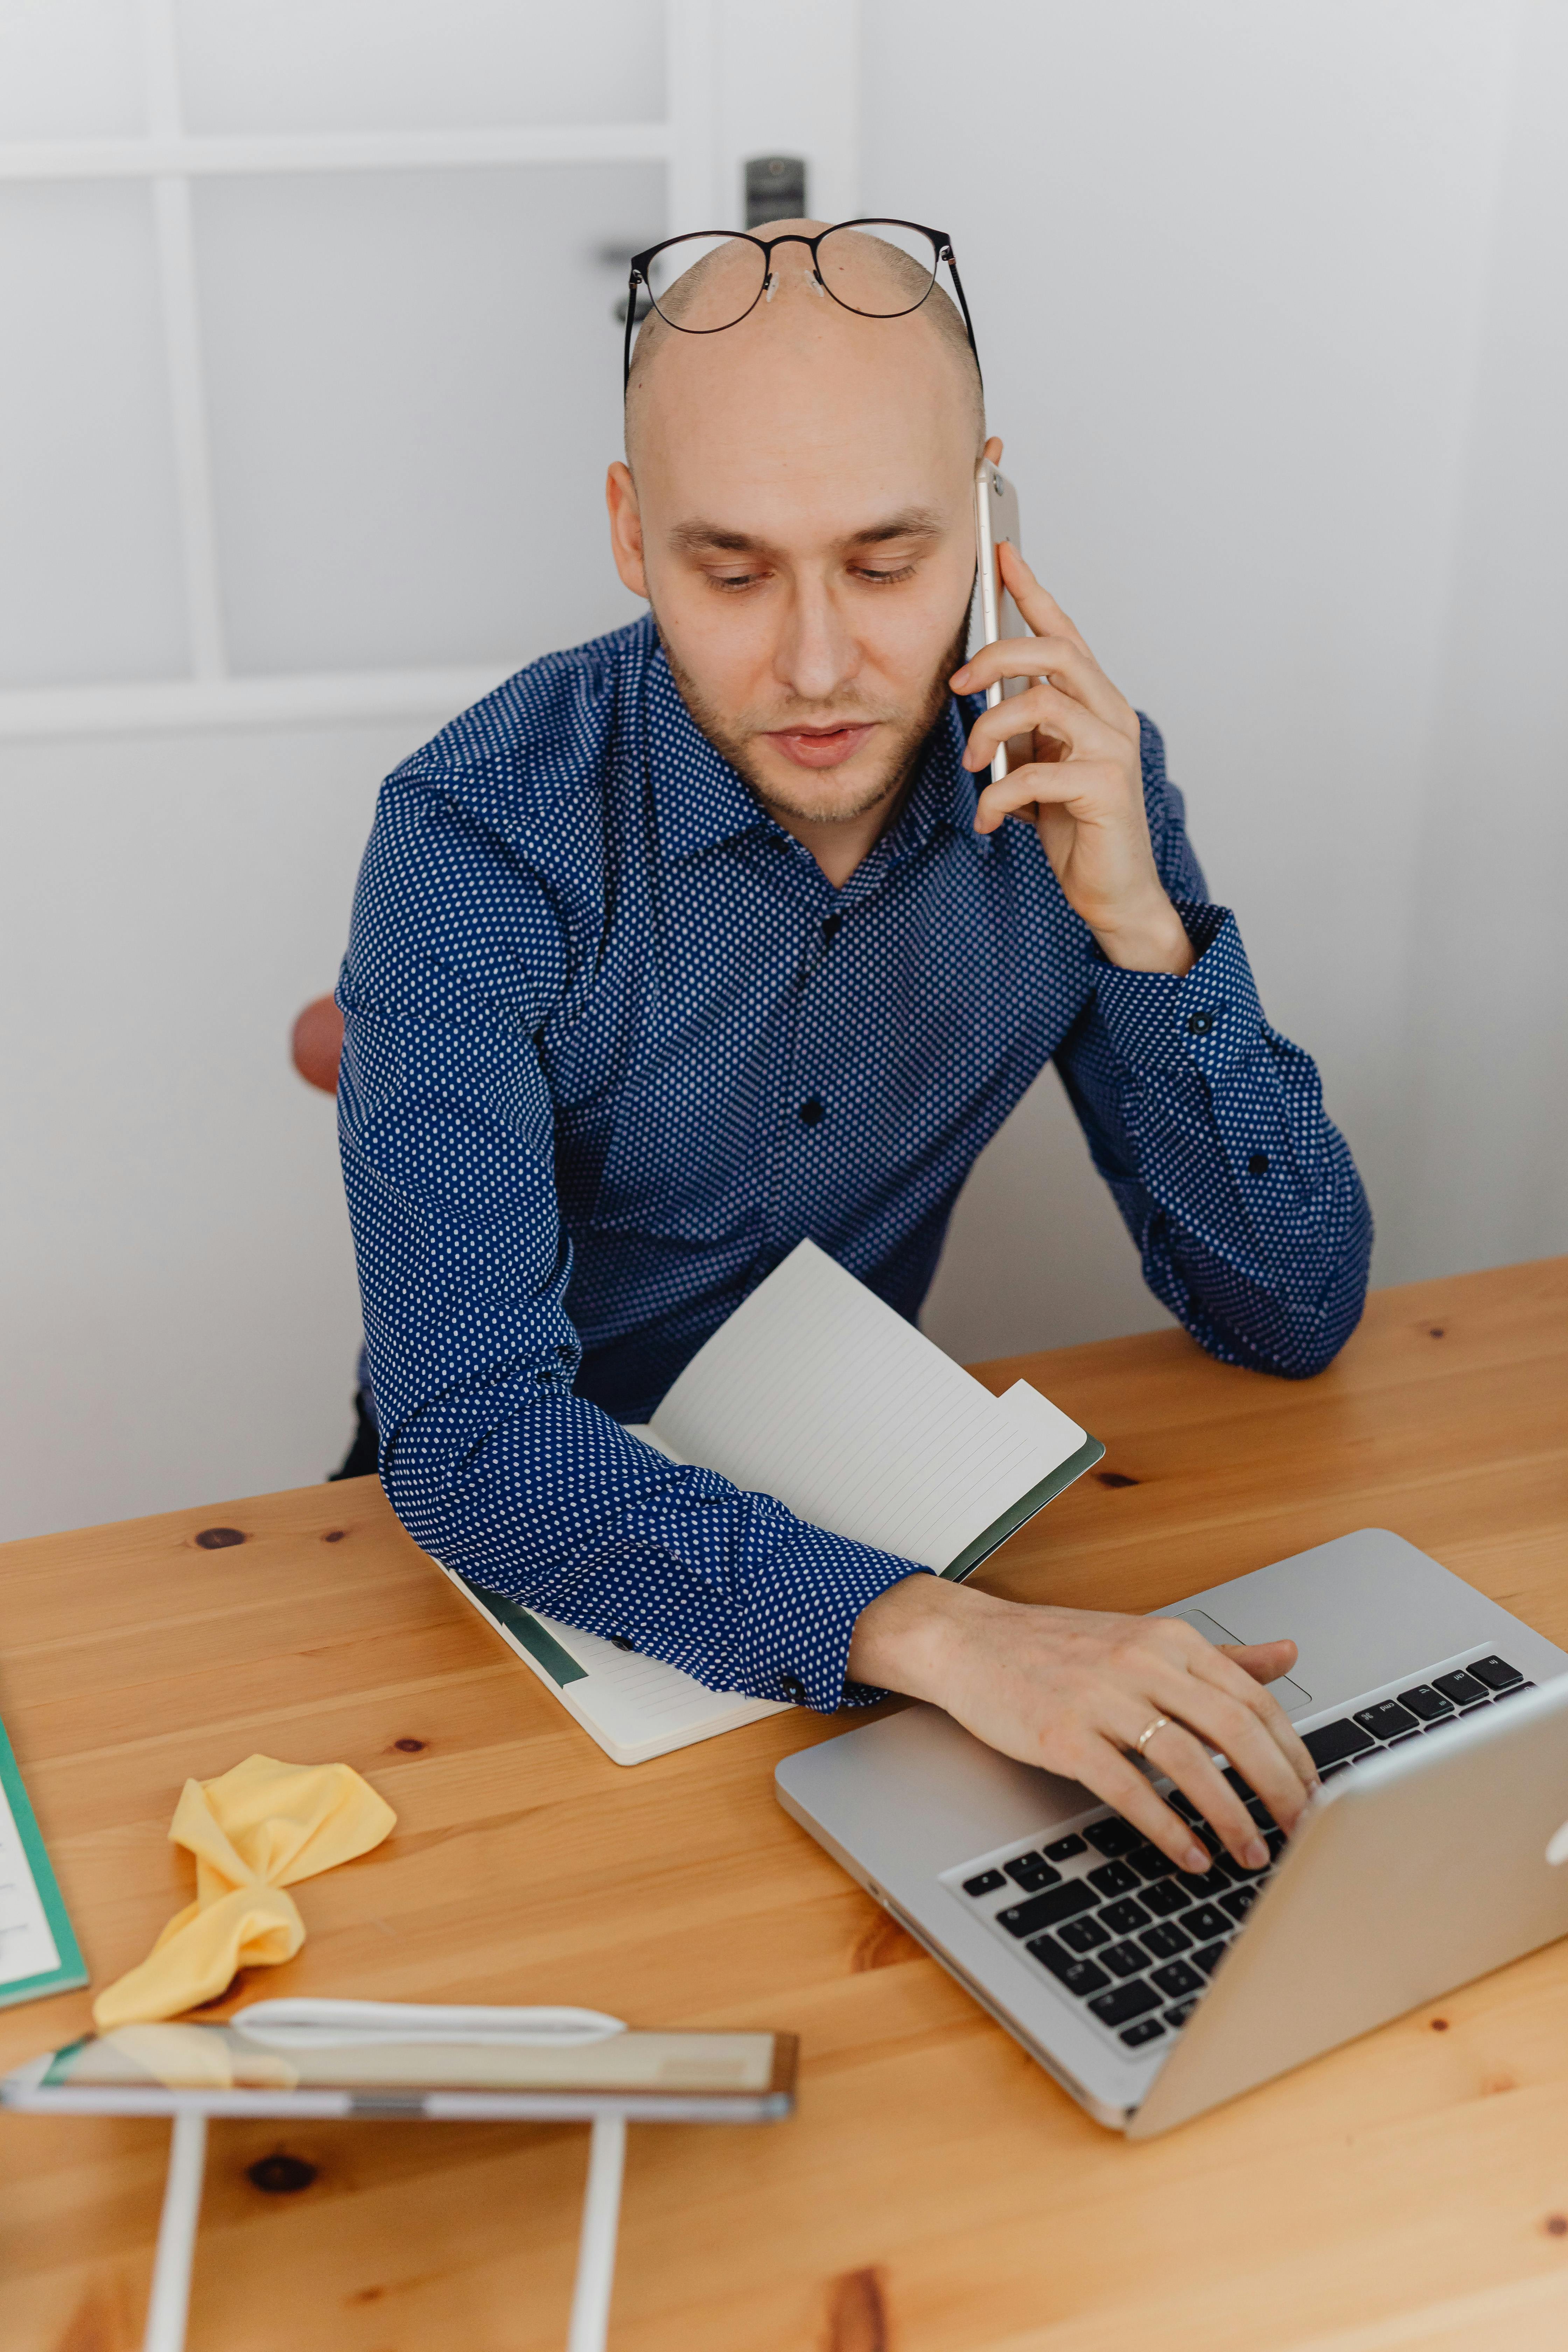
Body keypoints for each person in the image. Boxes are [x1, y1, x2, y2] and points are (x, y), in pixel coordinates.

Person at [337, 221, 1371, 1876]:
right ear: (628, 531)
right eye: (730, 571)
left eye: (888, 563)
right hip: (530, 1578)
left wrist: (1144, 937)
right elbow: (462, 1444)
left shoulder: (1067, 771)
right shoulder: (475, 838)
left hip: (854, 1504)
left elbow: (1291, 1312)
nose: (816, 665)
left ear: (984, 512)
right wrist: (957, 1640)